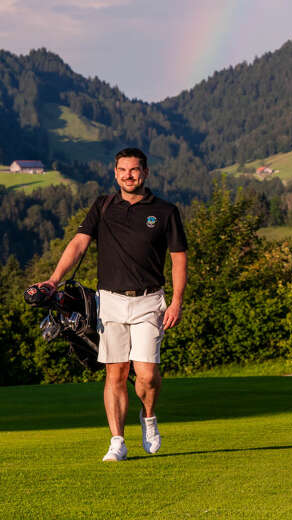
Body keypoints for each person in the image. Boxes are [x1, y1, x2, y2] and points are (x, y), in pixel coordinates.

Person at [37, 147, 188, 461]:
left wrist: (176, 301)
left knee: (146, 375)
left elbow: (178, 259)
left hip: (150, 301)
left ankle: (148, 417)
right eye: (122, 170)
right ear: (115, 173)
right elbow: (79, 243)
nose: (128, 175)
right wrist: (53, 279)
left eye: (134, 170)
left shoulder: (165, 211)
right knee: (115, 374)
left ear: (145, 173)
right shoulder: (102, 206)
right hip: (109, 302)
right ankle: (117, 441)